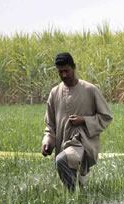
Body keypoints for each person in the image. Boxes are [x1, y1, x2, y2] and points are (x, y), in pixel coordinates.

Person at [41, 52, 113, 190]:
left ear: (74, 68)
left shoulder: (90, 90)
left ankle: (73, 195)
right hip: (62, 143)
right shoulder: (54, 93)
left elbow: (106, 116)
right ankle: (79, 199)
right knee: (70, 172)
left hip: (83, 143)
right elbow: (50, 125)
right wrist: (47, 142)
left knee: (63, 160)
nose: (64, 75)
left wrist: (84, 120)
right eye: (60, 72)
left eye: (67, 71)